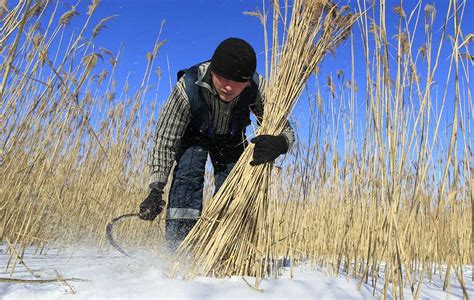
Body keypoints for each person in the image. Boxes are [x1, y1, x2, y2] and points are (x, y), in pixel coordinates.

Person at [138, 37, 294, 249]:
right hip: (195, 137)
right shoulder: (188, 86)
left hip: (231, 138)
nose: (229, 87)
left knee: (234, 185)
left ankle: (224, 248)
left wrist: (281, 143)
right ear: (212, 72)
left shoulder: (258, 87)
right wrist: (156, 188)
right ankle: (178, 247)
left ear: (247, 81)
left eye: (237, 82)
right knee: (188, 175)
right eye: (223, 79)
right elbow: (166, 139)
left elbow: (284, 125)